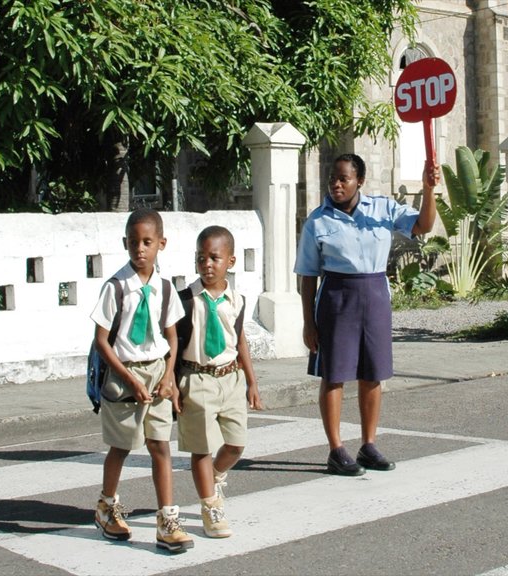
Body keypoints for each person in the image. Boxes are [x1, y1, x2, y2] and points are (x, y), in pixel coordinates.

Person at [294, 153, 439, 476]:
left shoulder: (383, 209)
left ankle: (368, 445)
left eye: (344, 178)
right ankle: (336, 450)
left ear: (359, 180)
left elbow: (423, 225)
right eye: (333, 178)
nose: (336, 184)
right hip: (336, 297)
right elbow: (307, 275)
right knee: (333, 375)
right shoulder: (318, 221)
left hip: (374, 295)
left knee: (372, 373)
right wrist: (308, 322)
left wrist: (428, 190)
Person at [90, 208, 193, 552]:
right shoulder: (116, 287)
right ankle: (106, 506)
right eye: (133, 242)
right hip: (124, 373)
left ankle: (167, 520)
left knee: (160, 445)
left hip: (157, 371)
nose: (140, 249)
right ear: (125, 243)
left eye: (147, 242)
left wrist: (168, 376)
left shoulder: (165, 287)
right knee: (121, 446)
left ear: (161, 243)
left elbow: (173, 337)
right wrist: (129, 379)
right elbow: (102, 341)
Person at [176, 225, 263, 538]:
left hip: (230, 378)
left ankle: (214, 476)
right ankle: (210, 505)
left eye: (214, 258)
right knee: (200, 448)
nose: (207, 264)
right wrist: (171, 385)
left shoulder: (236, 300)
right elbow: (173, 343)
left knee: (236, 444)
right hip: (196, 378)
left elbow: (240, 341)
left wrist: (251, 382)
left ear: (231, 261)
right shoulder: (185, 300)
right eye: (201, 258)